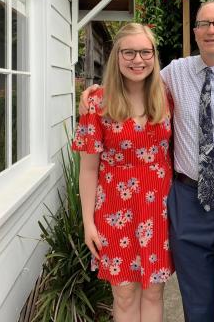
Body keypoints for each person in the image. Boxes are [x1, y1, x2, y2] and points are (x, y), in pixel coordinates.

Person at [80, 1, 214, 322]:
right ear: (195, 32)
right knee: (195, 301)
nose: (211, 30)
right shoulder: (174, 74)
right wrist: (95, 91)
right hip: (187, 203)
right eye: (203, 24)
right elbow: (134, 80)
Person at [72, 23, 174, 322]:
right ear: (117, 56)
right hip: (114, 210)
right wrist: (88, 222)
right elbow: (89, 170)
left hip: (160, 210)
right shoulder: (96, 102)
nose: (137, 60)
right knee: (125, 293)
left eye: (145, 52)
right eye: (129, 52)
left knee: (155, 292)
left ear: (154, 56)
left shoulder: (166, 96)